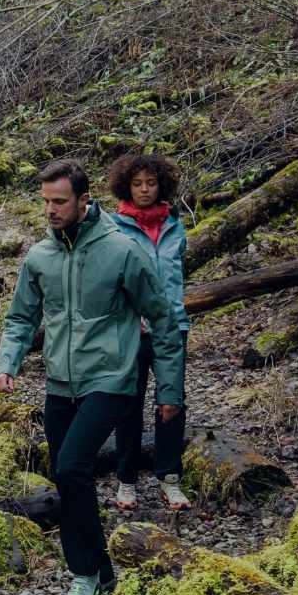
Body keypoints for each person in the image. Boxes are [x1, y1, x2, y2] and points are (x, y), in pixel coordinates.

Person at [0, 158, 184, 595]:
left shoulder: (121, 251)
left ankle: (84, 573)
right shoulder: (40, 256)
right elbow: (21, 317)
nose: (51, 210)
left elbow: (162, 318)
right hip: (60, 381)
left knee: (74, 466)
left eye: (60, 202)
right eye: (45, 202)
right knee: (66, 475)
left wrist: (169, 391)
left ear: (83, 200)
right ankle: (101, 573)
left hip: (112, 377)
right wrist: (7, 364)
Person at [105, 152, 192, 513]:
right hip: (132, 329)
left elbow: (177, 272)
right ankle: (126, 480)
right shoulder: (113, 227)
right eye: (137, 183)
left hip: (172, 326)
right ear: (126, 186)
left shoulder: (174, 225)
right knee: (129, 403)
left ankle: (169, 478)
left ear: (162, 185)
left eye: (151, 183)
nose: (144, 189)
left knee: (172, 403)